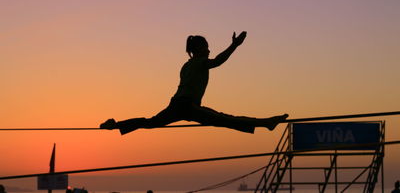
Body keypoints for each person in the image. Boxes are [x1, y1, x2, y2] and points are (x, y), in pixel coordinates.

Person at [100, 31, 288, 134]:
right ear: (198, 49)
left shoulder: (187, 65)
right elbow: (217, 61)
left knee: (150, 123)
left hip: (177, 105)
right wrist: (234, 46)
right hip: (187, 106)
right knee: (224, 119)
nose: (209, 50)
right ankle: (267, 122)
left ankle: (115, 125)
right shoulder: (199, 63)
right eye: (206, 47)